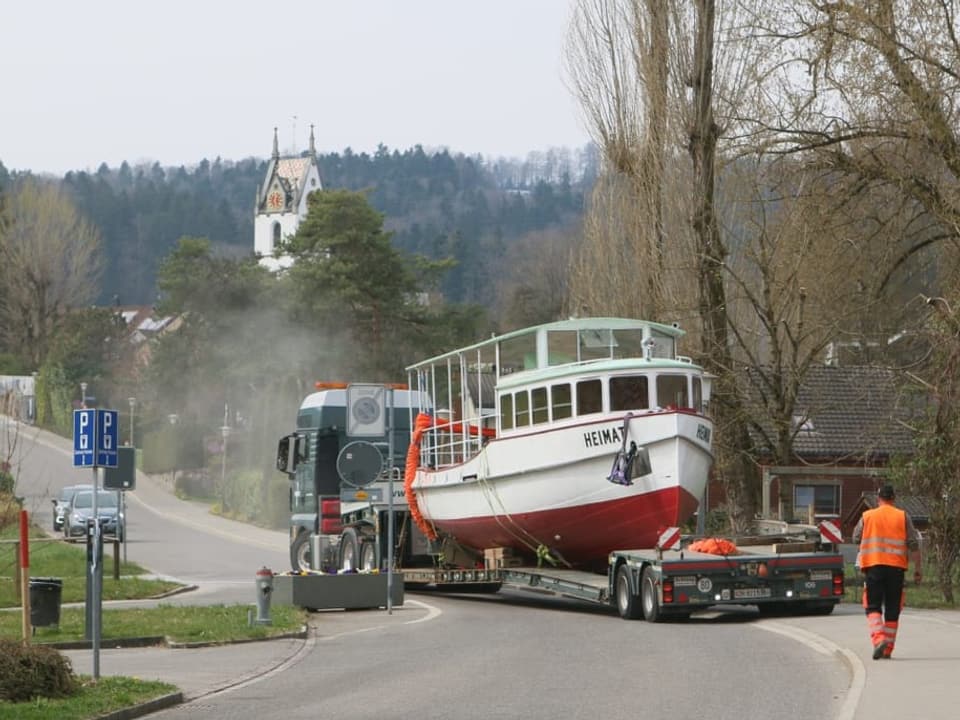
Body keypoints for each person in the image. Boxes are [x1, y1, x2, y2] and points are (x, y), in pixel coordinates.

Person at [852, 484, 923, 660]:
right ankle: (887, 649)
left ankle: (879, 640)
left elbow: (855, 538)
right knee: (892, 608)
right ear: (894, 498)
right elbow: (914, 544)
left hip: (874, 567)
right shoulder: (902, 516)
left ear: (878, 498)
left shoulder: (867, 516)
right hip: (896, 569)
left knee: (873, 606)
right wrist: (918, 569)